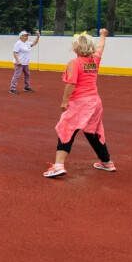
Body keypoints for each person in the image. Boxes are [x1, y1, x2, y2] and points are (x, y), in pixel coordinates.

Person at [44, 29, 115, 178]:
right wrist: (103, 36)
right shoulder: (94, 61)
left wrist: (64, 103)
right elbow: (101, 47)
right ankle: (106, 161)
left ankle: (58, 166)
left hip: (80, 103)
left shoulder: (74, 63)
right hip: (95, 102)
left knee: (66, 129)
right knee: (93, 131)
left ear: (76, 48)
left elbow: (70, 84)